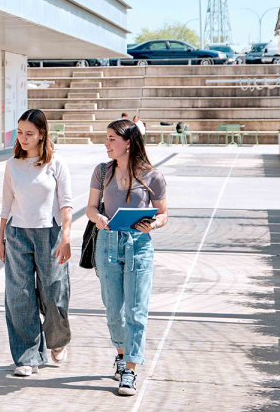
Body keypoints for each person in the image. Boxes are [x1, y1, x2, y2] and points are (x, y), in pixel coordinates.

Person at [86, 119, 169, 396]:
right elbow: (89, 208)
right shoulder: (101, 171)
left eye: (112, 139)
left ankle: (130, 371)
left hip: (139, 246)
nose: (106, 143)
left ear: (128, 143)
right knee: (114, 312)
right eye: (107, 138)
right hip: (107, 243)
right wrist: (97, 217)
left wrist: (153, 224)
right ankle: (121, 354)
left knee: (136, 312)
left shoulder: (153, 176)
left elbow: (164, 214)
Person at [0, 109, 74, 377]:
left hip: (50, 235)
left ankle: (57, 340)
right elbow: (6, 205)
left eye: (29, 133)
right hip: (17, 233)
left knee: (54, 292)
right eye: (19, 133)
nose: (23, 138)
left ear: (42, 134)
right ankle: (27, 357)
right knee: (19, 295)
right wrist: (0, 238)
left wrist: (66, 236)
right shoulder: (12, 165)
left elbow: (66, 203)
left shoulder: (56, 163)